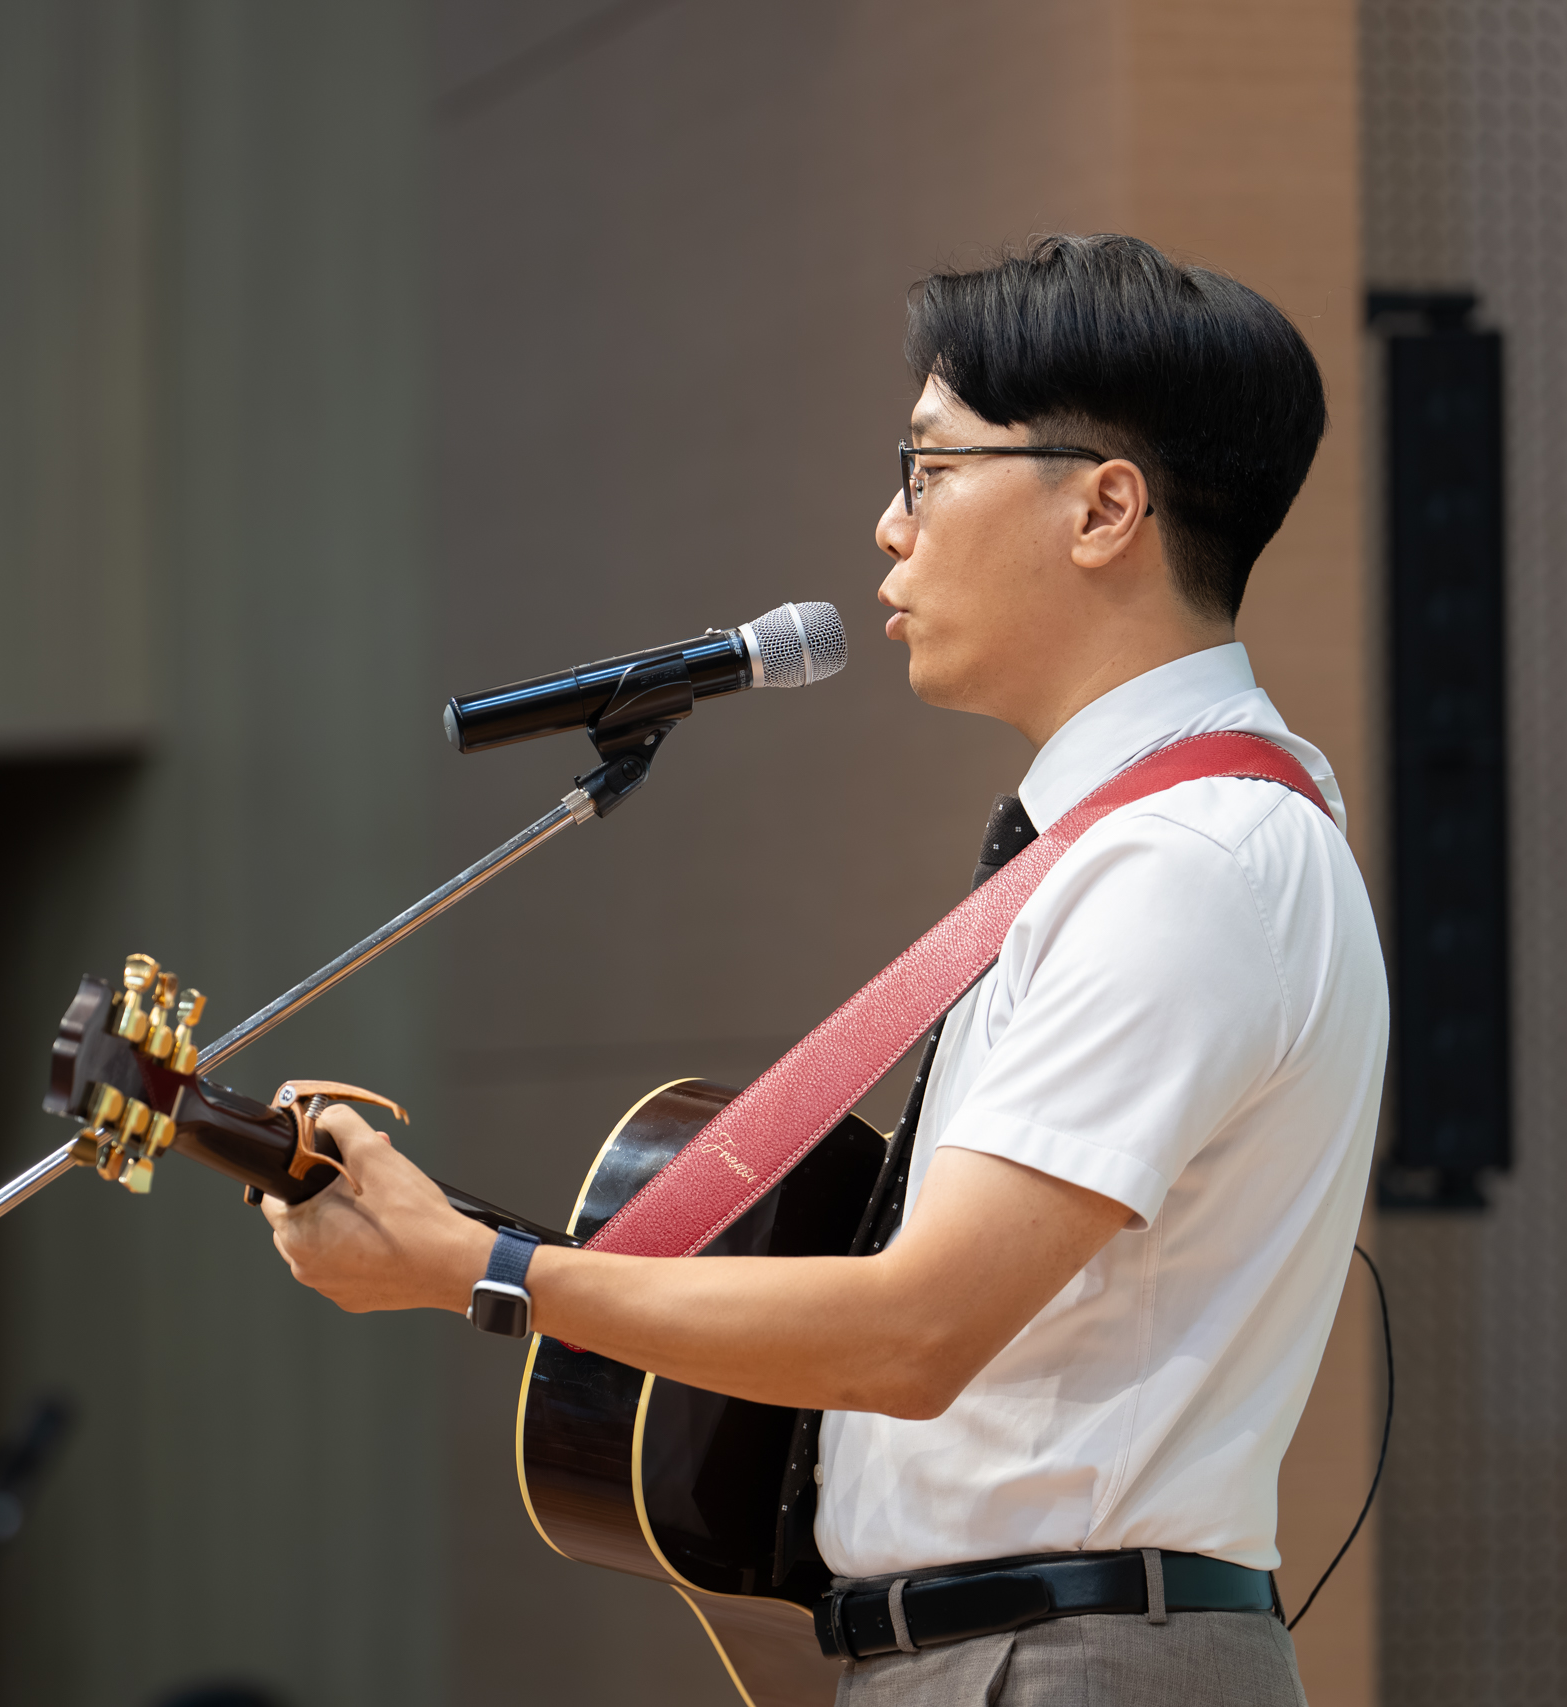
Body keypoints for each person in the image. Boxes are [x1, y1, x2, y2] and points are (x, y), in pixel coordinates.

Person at [262, 233, 1386, 1706]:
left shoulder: (1188, 861)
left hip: (1069, 1661)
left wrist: (480, 1270)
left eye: (930, 468)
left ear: (1105, 508)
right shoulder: (1135, 845)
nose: (888, 526)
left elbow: (916, 1333)